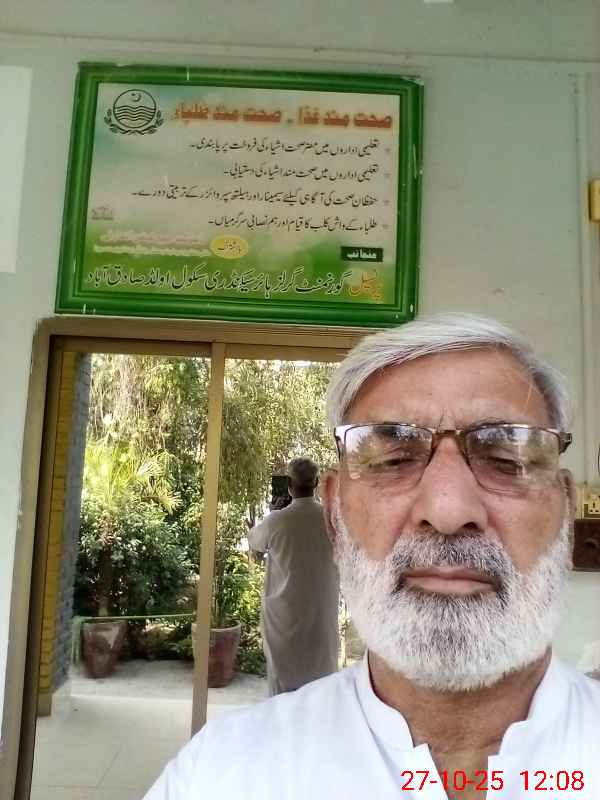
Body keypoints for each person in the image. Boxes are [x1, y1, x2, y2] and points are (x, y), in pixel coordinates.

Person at [145, 313, 600, 800]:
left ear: (565, 510)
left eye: (506, 459)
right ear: (334, 513)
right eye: (393, 459)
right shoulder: (221, 774)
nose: (447, 510)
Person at [247, 457, 339, 696]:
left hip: (284, 619)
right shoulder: (331, 520)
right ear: (316, 483)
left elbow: (254, 542)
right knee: (321, 689)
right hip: (320, 617)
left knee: (282, 691)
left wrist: (274, 512)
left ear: (289, 484)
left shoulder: (277, 521)